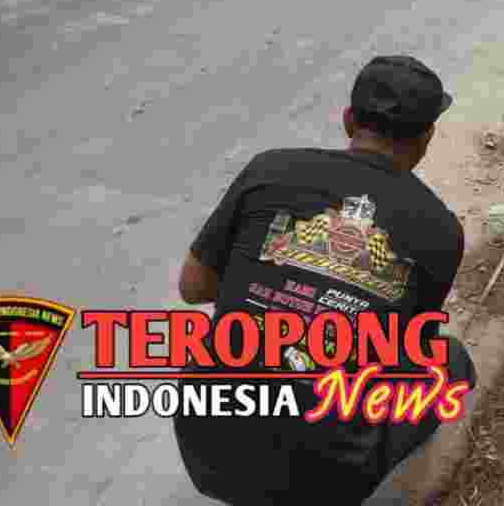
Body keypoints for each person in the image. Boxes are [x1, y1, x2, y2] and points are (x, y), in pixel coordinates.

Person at [172, 54, 477, 506]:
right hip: (325, 484)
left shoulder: (268, 169)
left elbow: (193, 288)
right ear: (426, 137)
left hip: (207, 448)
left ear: (349, 120)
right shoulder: (440, 230)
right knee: (450, 361)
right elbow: (402, 354)